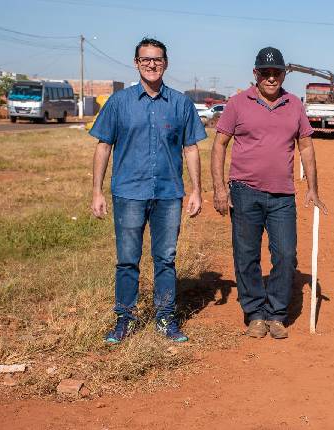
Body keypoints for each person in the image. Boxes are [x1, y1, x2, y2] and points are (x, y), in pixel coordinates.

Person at [90, 38, 207, 343]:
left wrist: (196, 190)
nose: (152, 64)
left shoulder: (181, 104)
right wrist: (97, 192)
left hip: (169, 194)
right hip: (128, 193)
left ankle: (165, 317)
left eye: (157, 59)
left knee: (165, 259)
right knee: (127, 259)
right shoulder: (119, 103)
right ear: (136, 64)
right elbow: (104, 146)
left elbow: (191, 149)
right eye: (145, 60)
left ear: (165, 64)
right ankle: (124, 319)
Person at [211, 47, 327, 340]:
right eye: (266, 72)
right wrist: (219, 189)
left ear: (284, 74)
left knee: (286, 255)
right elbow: (219, 145)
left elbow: (306, 147)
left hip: (282, 196)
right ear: (256, 74)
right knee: (247, 256)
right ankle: (256, 313)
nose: (271, 78)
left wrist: (313, 188)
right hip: (244, 191)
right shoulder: (237, 103)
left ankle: (277, 313)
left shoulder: (295, 105)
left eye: (277, 73)